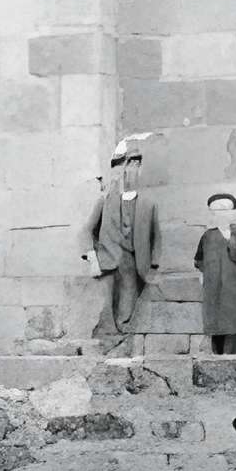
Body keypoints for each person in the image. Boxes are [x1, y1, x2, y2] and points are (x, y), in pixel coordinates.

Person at [82, 138, 162, 350]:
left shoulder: (148, 205)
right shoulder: (105, 200)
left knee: (127, 312)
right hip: (107, 263)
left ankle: (123, 350)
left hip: (133, 266)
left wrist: (154, 265)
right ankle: (105, 350)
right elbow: (86, 230)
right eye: (126, 165)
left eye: (135, 165)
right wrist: (92, 258)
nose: (130, 171)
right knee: (106, 312)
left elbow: (156, 237)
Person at [193, 192, 236, 354]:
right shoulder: (208, 235)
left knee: (233, 328)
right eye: (214, 211)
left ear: (232, 213)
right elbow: (199, 259)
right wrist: (202, 275)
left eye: (223, 210)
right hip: (214, 291)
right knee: (217, 329)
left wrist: (226, 232)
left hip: (234, 290)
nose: (219, 214)